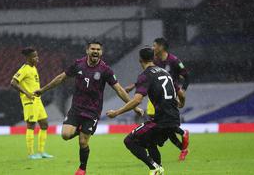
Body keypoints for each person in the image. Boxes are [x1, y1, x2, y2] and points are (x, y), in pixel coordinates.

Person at [34, 41, 143, 175]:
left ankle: (82, 169)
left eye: (98, 49)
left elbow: (119, 90)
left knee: (83, 142)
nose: (95, 51)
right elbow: (61, 77)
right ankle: (81, 130)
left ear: (101, 52)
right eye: (93, 49)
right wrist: (43, 90)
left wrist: (133, 106)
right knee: (65, 135)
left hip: (92, 111)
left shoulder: (105, 70)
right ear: (87, 51)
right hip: (76, 108)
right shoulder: (78, 64)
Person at [107, 47, 186, 175]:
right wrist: (181, 103)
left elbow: (137, 100)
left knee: (129, 141)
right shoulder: (166, 73)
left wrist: (117, 112)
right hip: (175, 119)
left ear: (140, 60)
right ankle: (158, 169)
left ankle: (155, 167)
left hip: (160, 120)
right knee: (150, 142)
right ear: (154, 58)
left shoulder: (145, 76)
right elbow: (181, 93)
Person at [125, 37, 190, 160]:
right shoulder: (157, 62)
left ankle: (181, 134)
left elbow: (186, 76)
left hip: (169, 95)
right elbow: (149, 78)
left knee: (161, 123)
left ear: (161, 46)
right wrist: (134, 86)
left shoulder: (174, 60)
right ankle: (182, 147)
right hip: (158, 94)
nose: (153, 48)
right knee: (165, 126)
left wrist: (182, 92)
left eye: (154, 45)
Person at [10, 47, 53, 159]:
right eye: (34, 56)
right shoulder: (24, 69)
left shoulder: (34, 68)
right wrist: (27, 93)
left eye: (37, 56)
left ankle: (42, 151)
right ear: (28, 58)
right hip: (29, 101)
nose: (37, 58)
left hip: (38, 101)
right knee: (31, 126)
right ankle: (31, 153)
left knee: (44, 124)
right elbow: (13, 82)